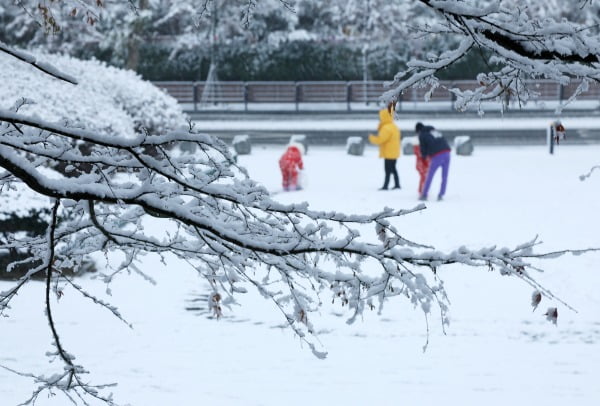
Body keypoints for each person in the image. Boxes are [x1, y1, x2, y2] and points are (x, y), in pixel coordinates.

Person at [415, 122, 451, 201]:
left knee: (429, 175)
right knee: (444, 176)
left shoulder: (422, 135)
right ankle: (441, 195)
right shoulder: (434, 131)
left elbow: (423, 149)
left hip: (437, 155)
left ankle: (424, 195)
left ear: (418, 130)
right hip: (447, 152)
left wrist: (424, 157)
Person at [368, 104, 401, 190]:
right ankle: (397, 184)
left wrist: (371, 138)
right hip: (394, 152)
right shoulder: (393, 126)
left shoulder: (386, 128)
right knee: (393, 169)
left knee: (387, 170)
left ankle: (385, 186)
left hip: (389, 153)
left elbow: (380, 139)